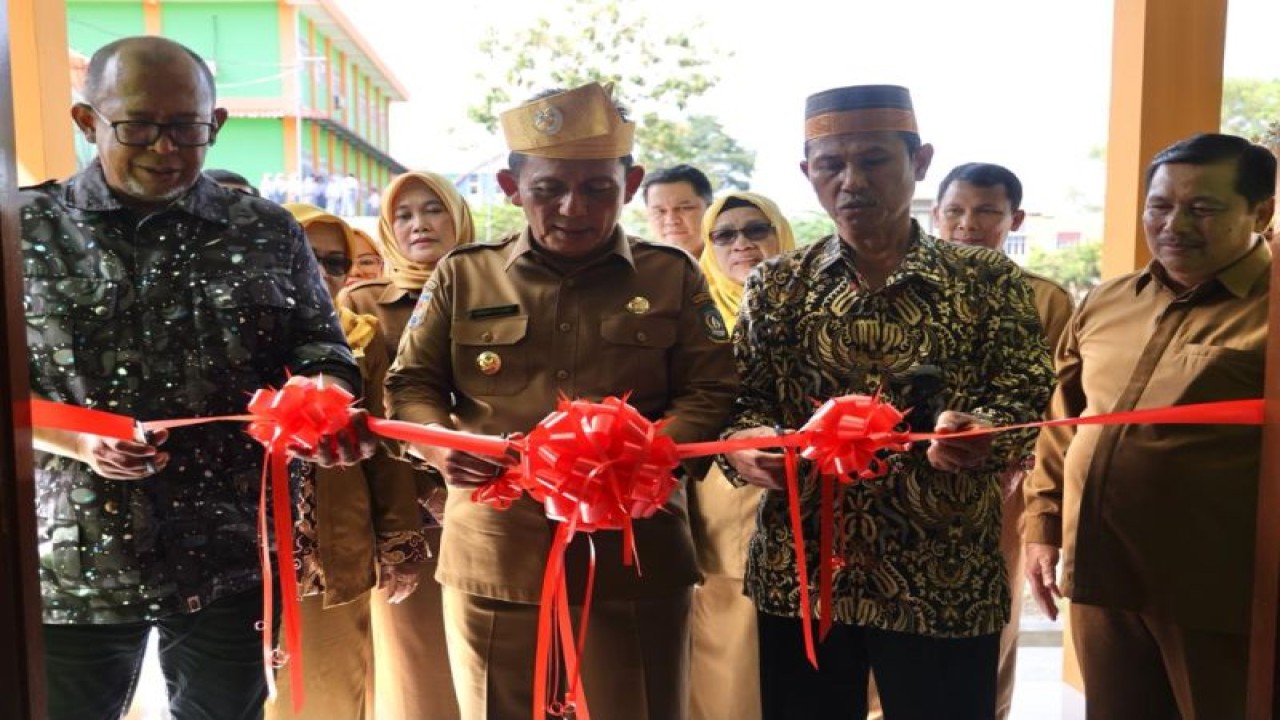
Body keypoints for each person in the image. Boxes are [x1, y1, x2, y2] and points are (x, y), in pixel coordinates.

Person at [23, 36, 372, 720]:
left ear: (215, 123)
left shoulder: (267, 230)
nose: (166, 147)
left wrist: (323, 401)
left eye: (187, 127)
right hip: (71, 562)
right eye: (139, 126)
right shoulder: (24, 228)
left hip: (230, 555)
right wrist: (75, 441)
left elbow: (322, 349)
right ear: (87, 120)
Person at [384, 81, 739, 720]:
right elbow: (410, 385)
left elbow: (713, 387)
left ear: (629, 185)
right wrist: (442, 448)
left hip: (635, 550)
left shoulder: (670, 274)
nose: (574, 208)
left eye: (598, 189)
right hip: (497, 550)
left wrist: (645, 455)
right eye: (548, 189)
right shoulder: (465, 274)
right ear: (511, 186)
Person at [720, 84, 1054, 719]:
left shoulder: (986, 280)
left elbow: (1028, 396)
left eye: (873, 160)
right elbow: (741, 400)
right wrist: (746, 447)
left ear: (919, 162)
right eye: (830, 165)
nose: (851, 181)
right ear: (806, 173)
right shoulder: (777, 286)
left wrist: (984, 431)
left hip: (944, 569)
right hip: (805, 574)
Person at [1024, 132, 1276, 719]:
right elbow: (1066, 421)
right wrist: (1042, 526)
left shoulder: (1273, 308)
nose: (1174, 225)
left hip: (1215, 592)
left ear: (1260, 212)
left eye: (1203, 209)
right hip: (1100, 580)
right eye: (1159, 206)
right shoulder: (1107, 302)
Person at [268, 204, 429, 720]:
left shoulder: (360, 339)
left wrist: (400, 541)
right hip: (238, 554)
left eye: (335, 262)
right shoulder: (230, 338)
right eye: (304, 256)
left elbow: (386, 453)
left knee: (329, 694)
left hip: (332, 552)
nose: (319, 272)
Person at [931, 161, 1073, 720]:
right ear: (936, 214)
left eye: (986, 211)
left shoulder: (1046, 301)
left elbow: (1058, 410)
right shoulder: (900, 288)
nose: (968, 224)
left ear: (1012, 219)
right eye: (955, 211)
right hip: (905, 485)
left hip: (999, 491)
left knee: (989, 628)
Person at [337, 170, 474, 720]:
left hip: (498, 505)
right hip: (411, 520)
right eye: (404, 215)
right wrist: (421, 493)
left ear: (458, 216)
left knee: (504, 663)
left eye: (432, 210)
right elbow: (362, 416)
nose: (419, 224)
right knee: (418, 670)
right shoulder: (366, 303)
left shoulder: (504, 288)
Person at [688, 191, 795, 720]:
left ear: (782, 234)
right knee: (727, 663)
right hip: (723, 512)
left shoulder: (818, 308)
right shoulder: (693, 316)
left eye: (756, 229)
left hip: (814, 516)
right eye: (723, 235)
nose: (742, 244)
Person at [643, 163, 714, 257]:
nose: (671, 220)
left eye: (685, 208)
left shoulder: (734, 264)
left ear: (711, 210)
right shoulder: (639, 267)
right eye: (660, 211)